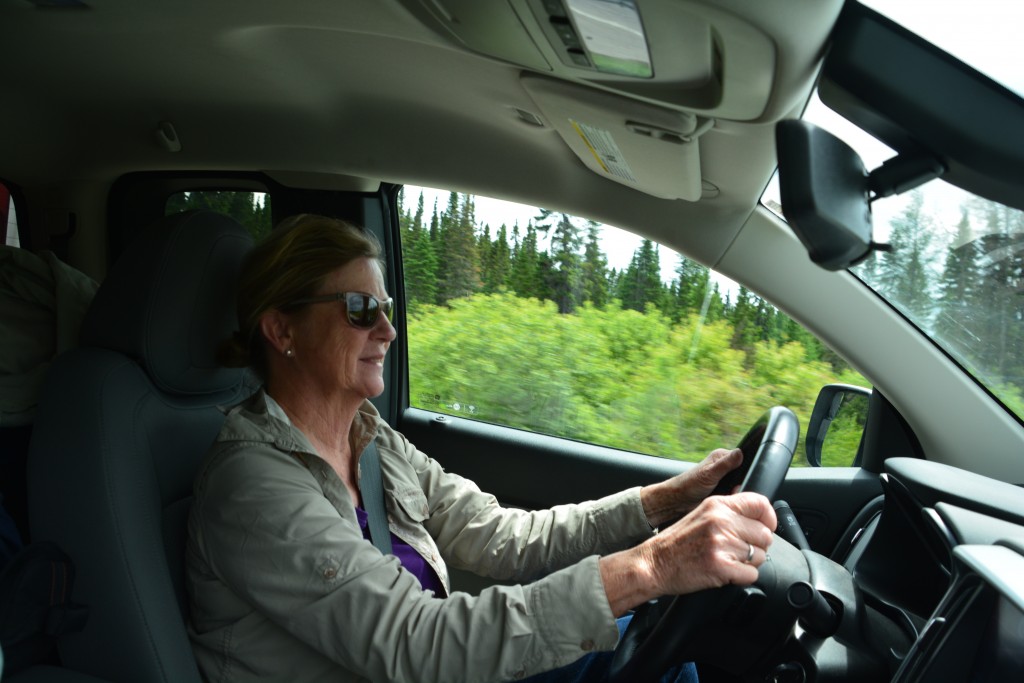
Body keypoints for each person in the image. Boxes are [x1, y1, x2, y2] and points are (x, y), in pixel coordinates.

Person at [185, 214, 777, 683]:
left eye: (387, 310)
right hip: (425, 663)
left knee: (644, 645)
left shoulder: (373, 442)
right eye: (360, 310)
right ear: (281, 330)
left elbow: (505, 537)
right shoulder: (253, 485)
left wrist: (665, 501)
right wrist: (652, 566)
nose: (387, 331)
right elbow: (417, 642)